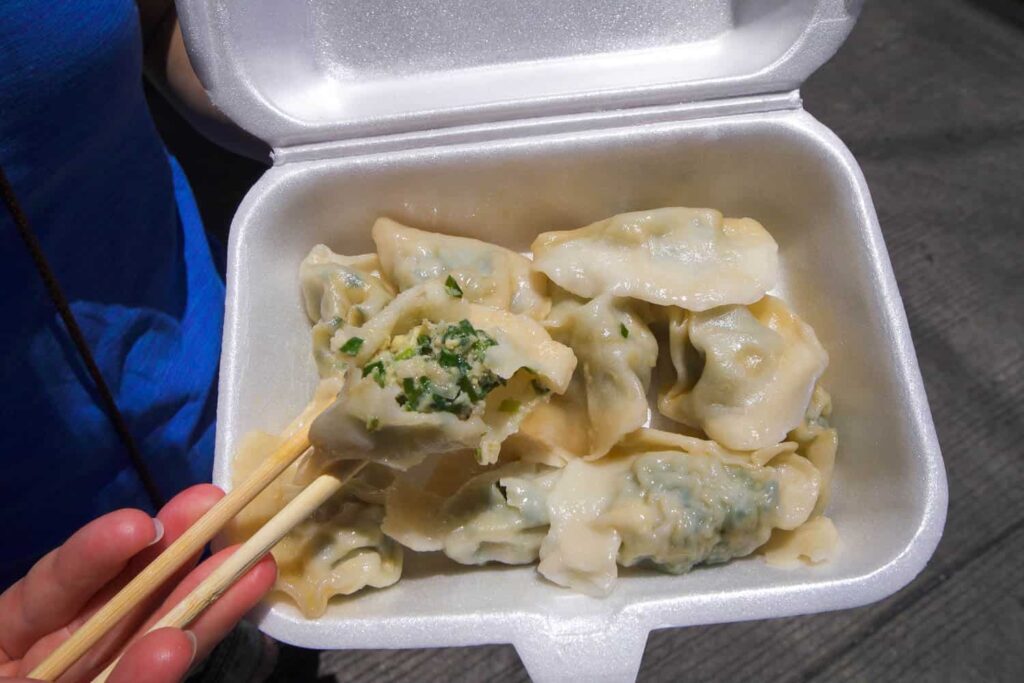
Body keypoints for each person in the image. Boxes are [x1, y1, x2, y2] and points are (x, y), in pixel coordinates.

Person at [0, 0, 273, 679]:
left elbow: (155, 22)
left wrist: (311, 108)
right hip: (41, 593)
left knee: (268, 640)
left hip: (252, 393)